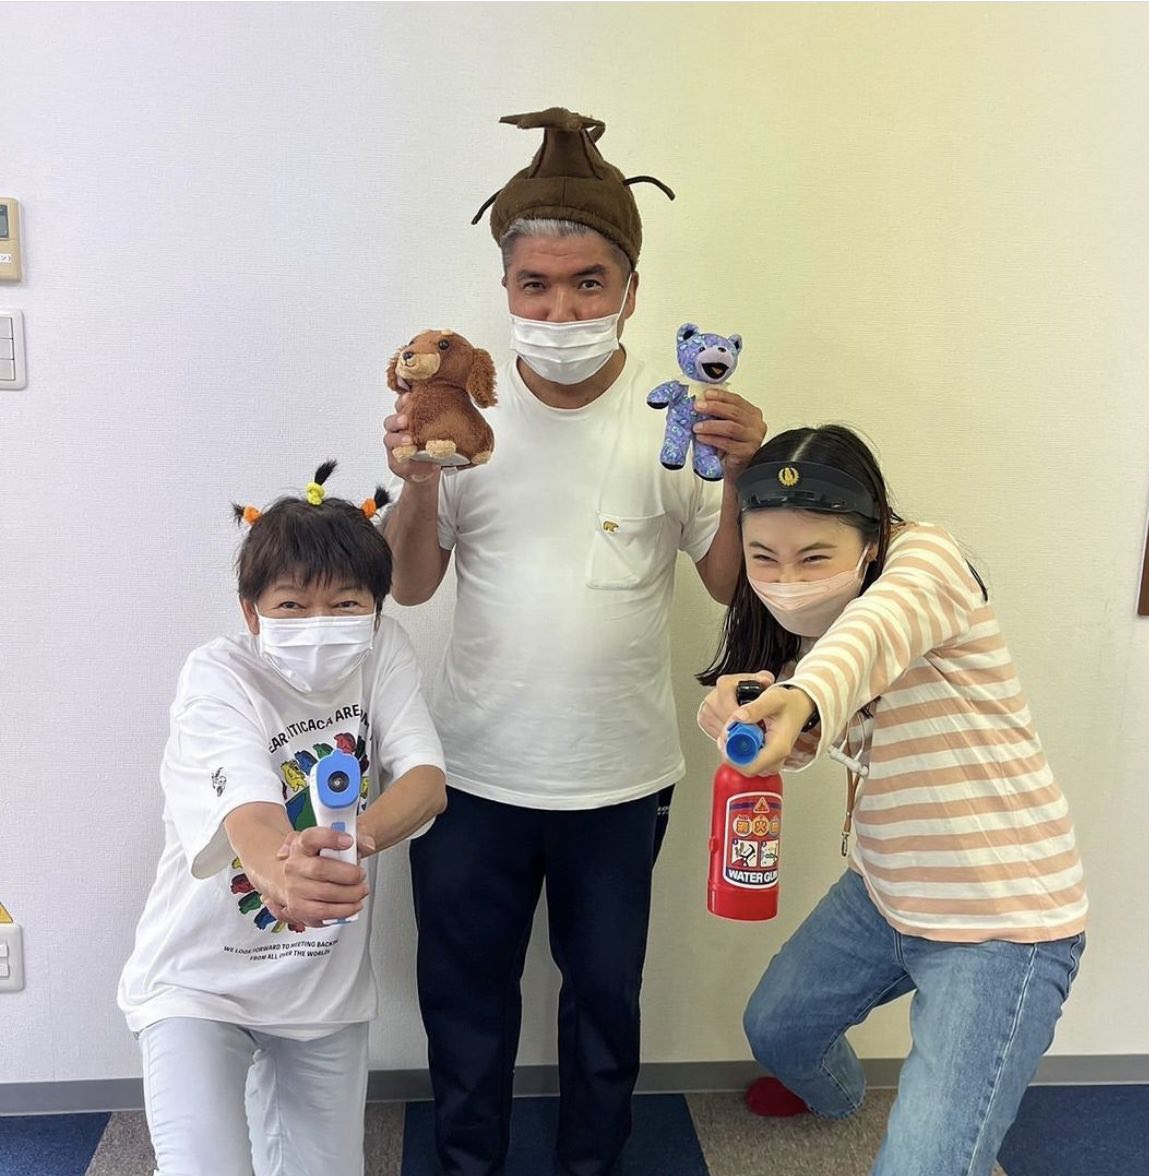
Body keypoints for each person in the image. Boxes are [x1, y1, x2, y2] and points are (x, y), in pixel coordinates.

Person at [381, 107, 766, 1176]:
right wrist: (415, 484)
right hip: (469, 773)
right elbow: (409, 584)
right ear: (505, 290)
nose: (561, 309)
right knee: (464, 1002)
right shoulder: (460, 418)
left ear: (631, 288)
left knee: (605, 1005)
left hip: (619, 776)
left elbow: (728, 583)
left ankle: (592, 1165)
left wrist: (744, 474)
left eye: (588, 283)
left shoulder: (679, 423)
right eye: (536, 286)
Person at [696, 425, 1087, 1176]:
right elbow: (819, 723)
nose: (786, 580)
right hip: (884, 890)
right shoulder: (810, 625)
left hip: (1000, 917)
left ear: (871, 539)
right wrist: (759, 720)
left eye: (814, 557)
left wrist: (804, 694)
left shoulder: (926, 560)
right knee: (776, 1030)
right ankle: (840, 1100)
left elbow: (869, 638)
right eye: (763, 558)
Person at [117, 461, 446, 1176]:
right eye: (292, 604)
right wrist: (283, 873)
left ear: (376, 610)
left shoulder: (385, 652)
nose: (319, 624)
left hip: (321, 993)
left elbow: (425, 781)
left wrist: (353, 840)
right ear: (251, 612)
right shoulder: (217, 675)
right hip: (199, 985)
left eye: (346, 603)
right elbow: (249, 811)